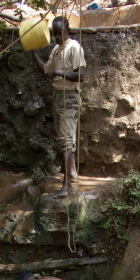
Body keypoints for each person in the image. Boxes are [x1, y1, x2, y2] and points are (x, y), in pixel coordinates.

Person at [31, 16, 86, 199]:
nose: (56, 37)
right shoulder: (56, 49)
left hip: (69, 97)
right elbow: (45, 70)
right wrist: (33, 52)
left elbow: (81, 75)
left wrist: (59, 73)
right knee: (64, 139)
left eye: (59, 33)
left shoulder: (74, 48)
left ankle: (67, 185)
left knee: (66, 141)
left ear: (67, 30)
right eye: (54, 34)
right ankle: (72, 175)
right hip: (57, 96)